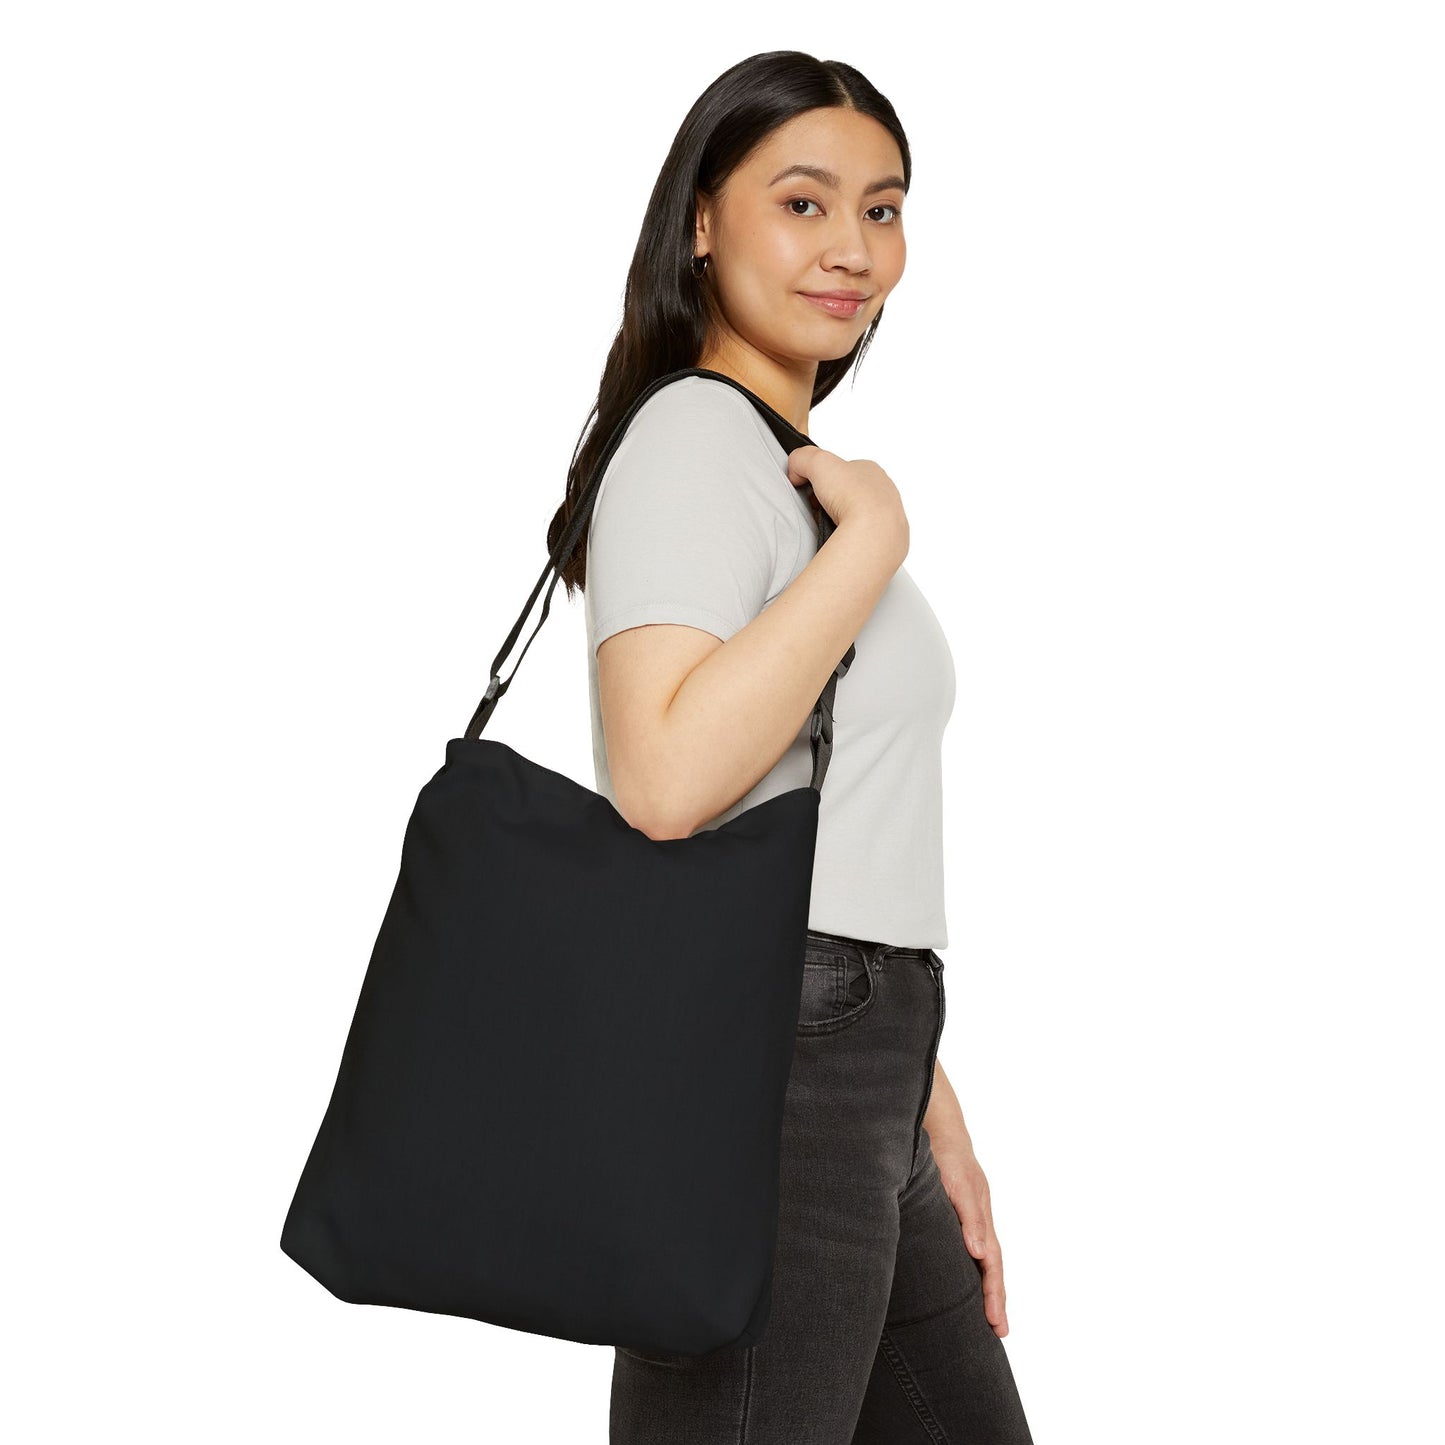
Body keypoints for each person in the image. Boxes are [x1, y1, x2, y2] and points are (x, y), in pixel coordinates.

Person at [547, 49, 1035, 1445]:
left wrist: (923, 1098)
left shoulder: (781, 467)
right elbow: (662, 778)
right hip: (775, 1067)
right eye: (803, 202)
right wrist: (874, 541)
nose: (853, 250)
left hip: (855, 1059)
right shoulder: (695, 442)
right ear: (701, 220)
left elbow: (829, 813)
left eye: (881, 210)